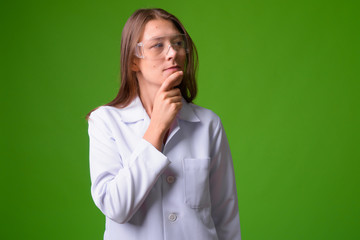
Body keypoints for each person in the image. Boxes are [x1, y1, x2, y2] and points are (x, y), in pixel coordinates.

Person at [87, 8, 241, 240]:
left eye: (178, 43)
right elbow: (115, 206)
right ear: (133, 61)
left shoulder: (208, 123)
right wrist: (157, 128)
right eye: (158, 45)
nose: (173, 53)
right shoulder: (105, 121)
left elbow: (225, 216)